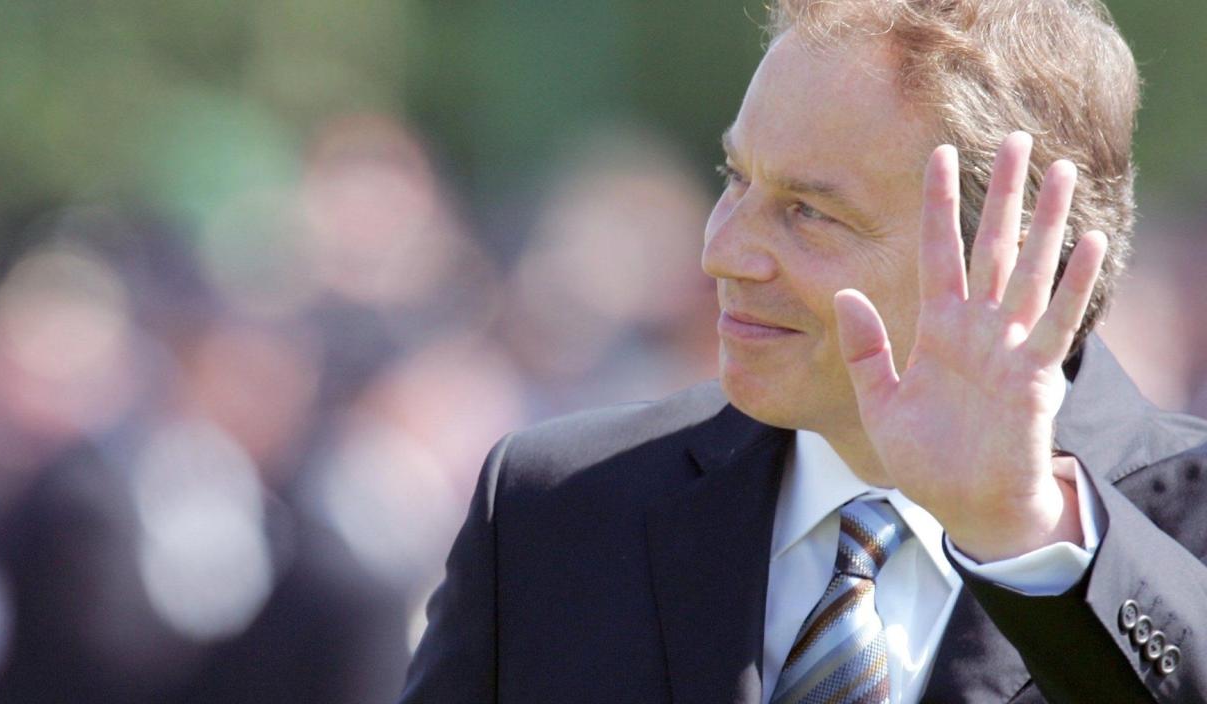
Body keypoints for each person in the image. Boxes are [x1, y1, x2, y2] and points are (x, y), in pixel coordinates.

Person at [398, 1, 1207, 702]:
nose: (721, 252)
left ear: (1016, 255)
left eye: (809, 213)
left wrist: (1028, 538)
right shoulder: (555, 511)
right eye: (735, 177)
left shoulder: (1176, 534)